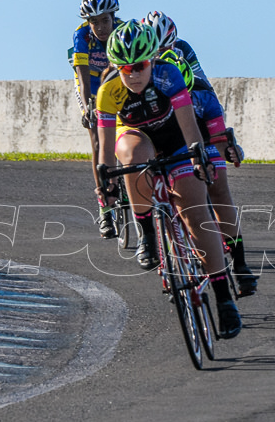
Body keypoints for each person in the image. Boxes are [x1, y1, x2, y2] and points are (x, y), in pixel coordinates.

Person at [96, 20, 242, 338]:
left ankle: (224, 300)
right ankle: (147, 231)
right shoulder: (108, 91)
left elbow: (191, 133)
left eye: (140, 65)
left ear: (152, 60)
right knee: (132, 160)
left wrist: (198, 161)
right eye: (125, 68)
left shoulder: (169, 75)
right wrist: (105, 186)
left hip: (175, 135)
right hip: (137, 135)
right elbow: (105, 153)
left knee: (195, 213)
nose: (133, 74)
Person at [155, 47, 259, 297]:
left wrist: (231, 152)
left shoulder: (203, 94)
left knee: (218, 189)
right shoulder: (154, 94)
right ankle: (168, 252)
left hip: (205, 141)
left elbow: (220, 139)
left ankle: (240, 262)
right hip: (167, 146)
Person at [71, 0, 122, 238]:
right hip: (90, 82)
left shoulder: (125, 32)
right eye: (95, 22)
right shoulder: (81, 36)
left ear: (114, 17)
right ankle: (105, 209)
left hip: (117, 78)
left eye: (105, 20)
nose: (100, 27)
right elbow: (81, 74)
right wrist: (89, 106)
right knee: (97, 140)